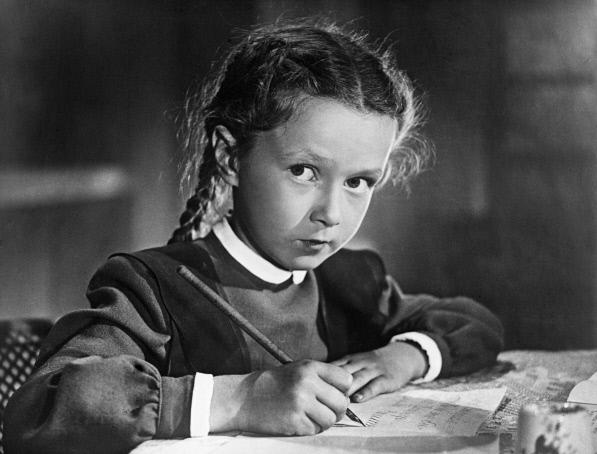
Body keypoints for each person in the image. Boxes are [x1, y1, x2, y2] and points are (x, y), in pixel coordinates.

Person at [4, 19, 503, 454]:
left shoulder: (350, 280)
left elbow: (475, 323)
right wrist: (240, 398)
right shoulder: (154, 289)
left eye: (358, 182)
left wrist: (405, 357)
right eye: (304, 171)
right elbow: (38, 410)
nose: (331, 214)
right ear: (229, 157)